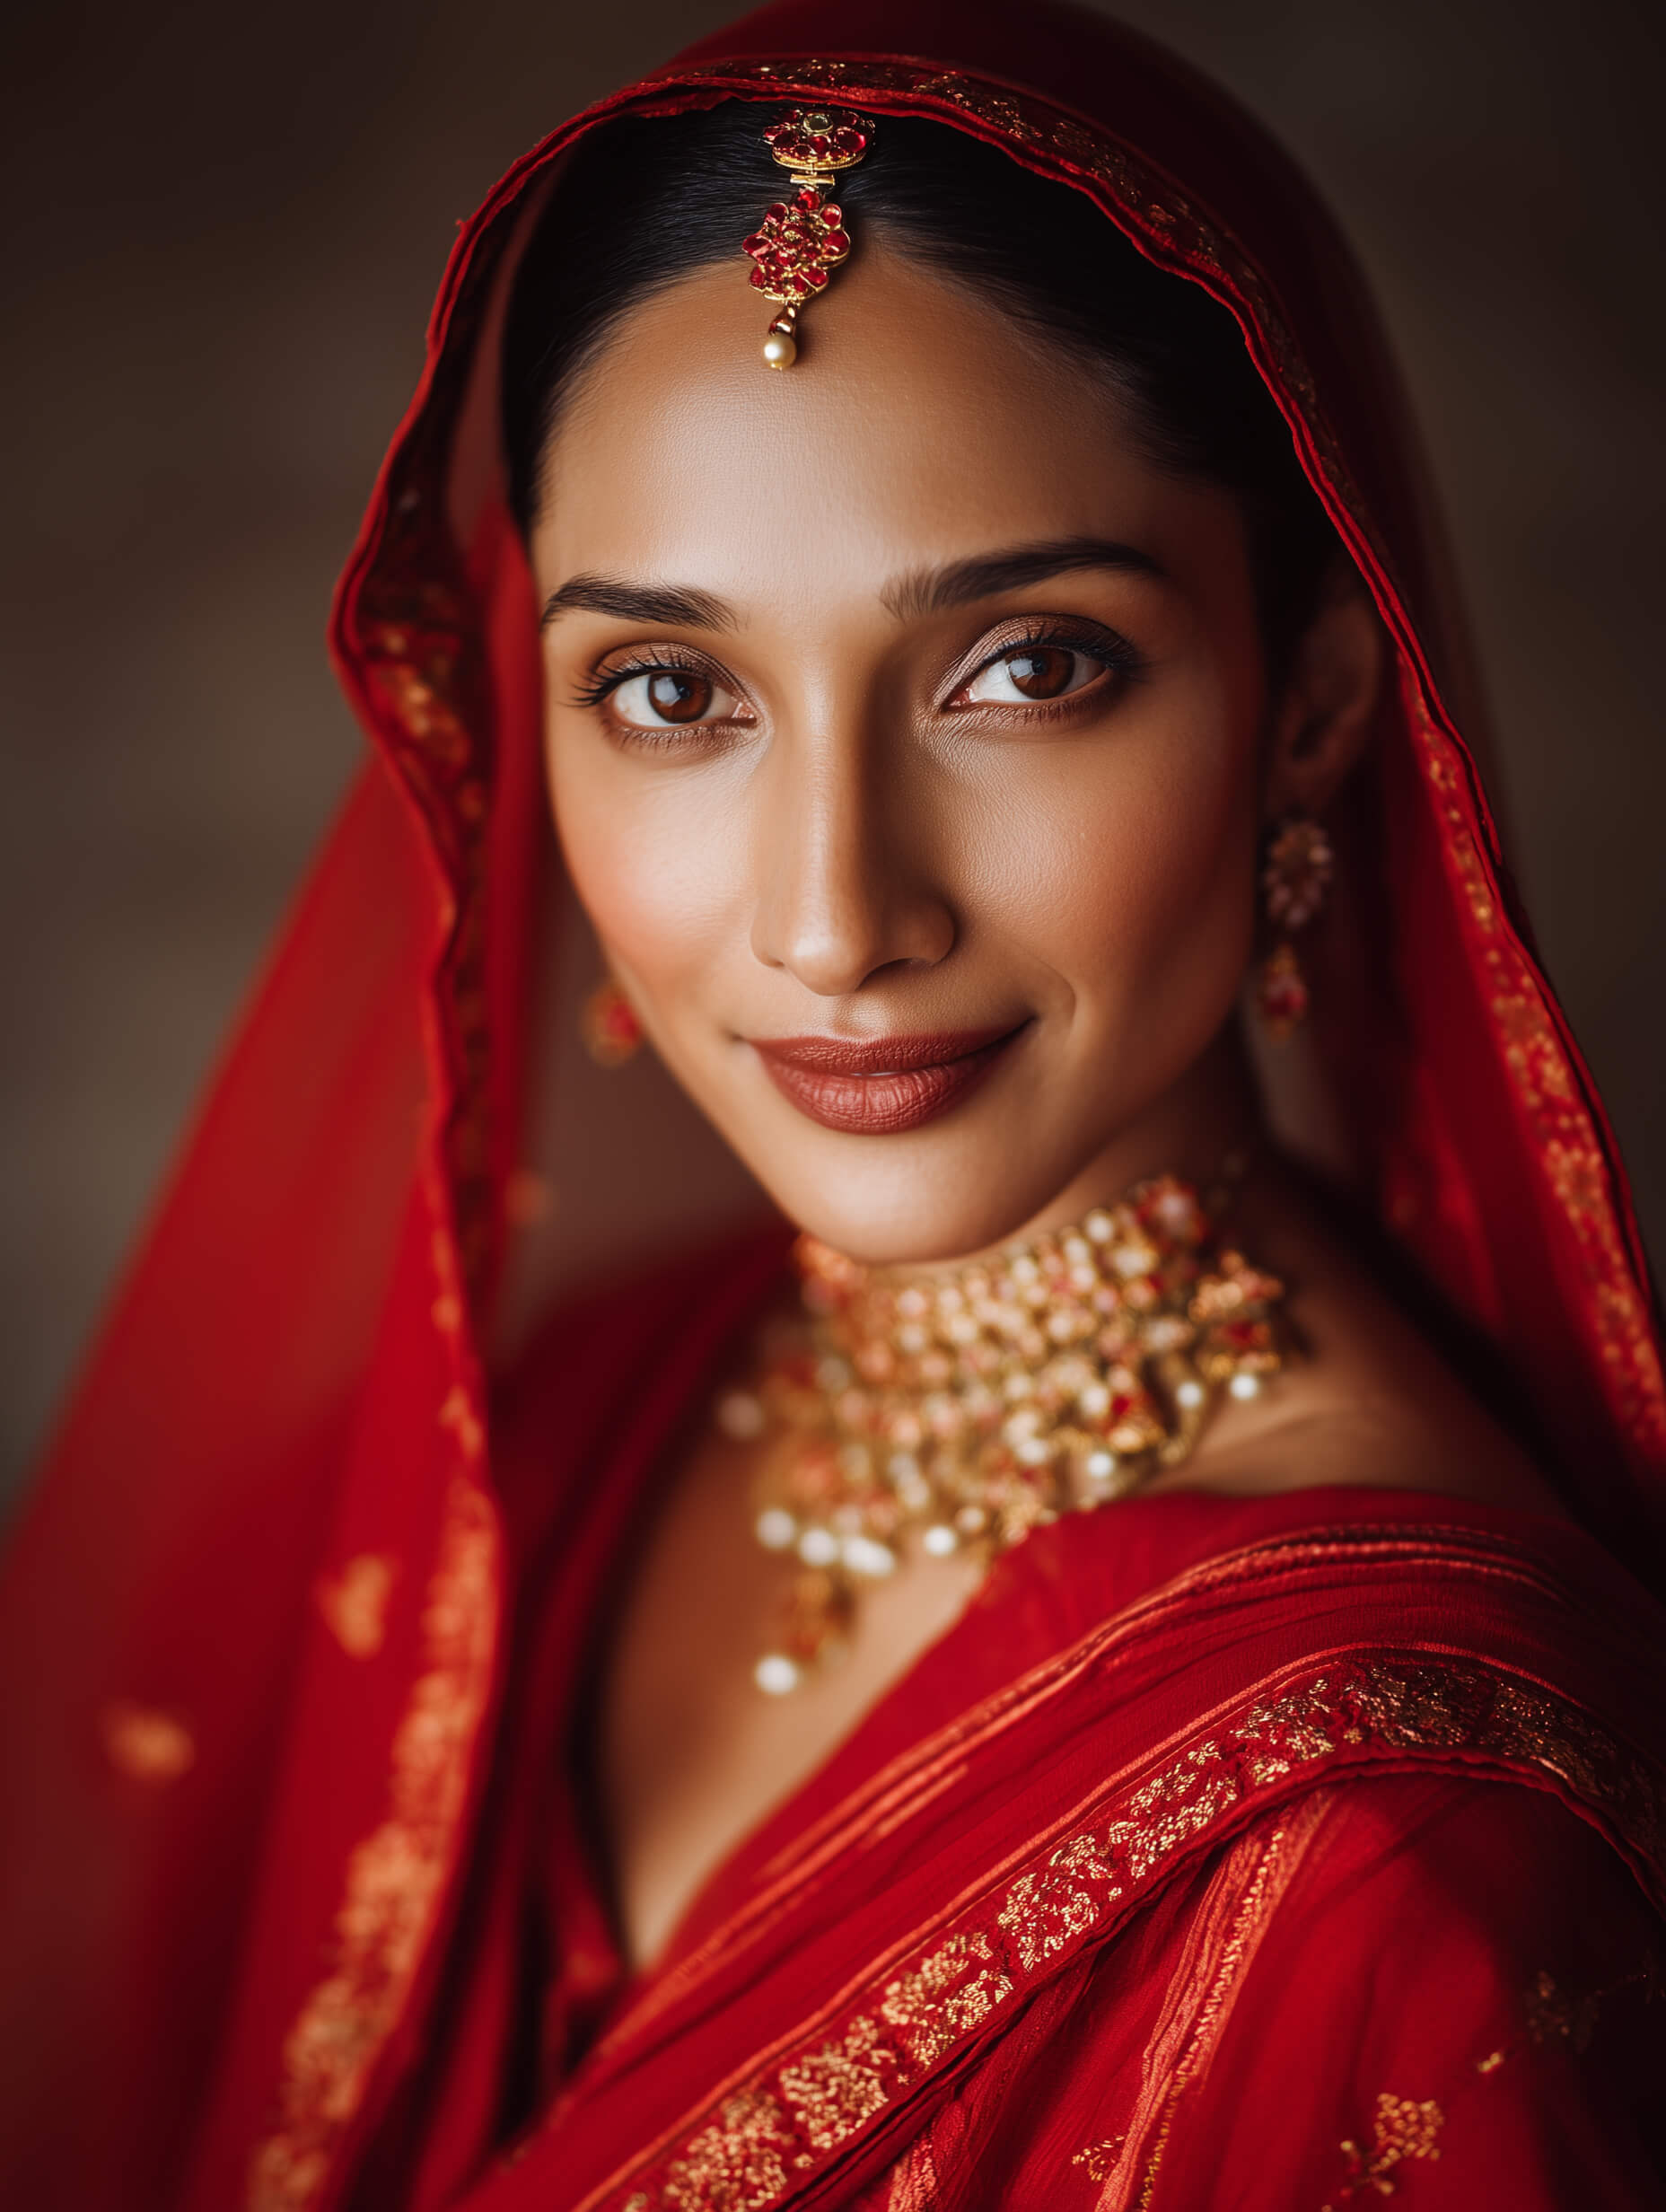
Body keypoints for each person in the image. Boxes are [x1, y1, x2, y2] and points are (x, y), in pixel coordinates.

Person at [3, 2, 1662, 2206]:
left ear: (1311, 712)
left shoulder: (1400, 1858)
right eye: (673, 691)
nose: (829, 914)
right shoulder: (572, 1435)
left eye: (1024, 668)